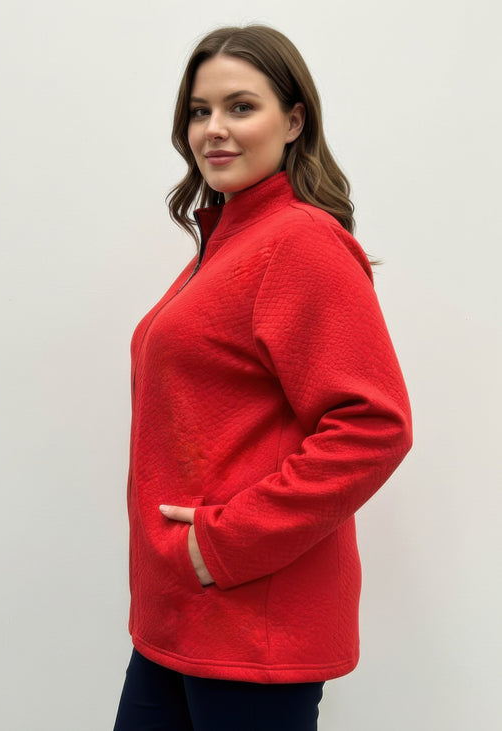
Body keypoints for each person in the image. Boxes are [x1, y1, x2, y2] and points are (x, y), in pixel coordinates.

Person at [113, 24, 412, 731]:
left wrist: (222, 543)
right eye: (199, 110)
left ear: (294, 120)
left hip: (250, 625)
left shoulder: (299, 241)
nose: (213, 129)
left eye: (240, 107)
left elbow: (374, 427)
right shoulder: (226, 243)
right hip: (178, 614)